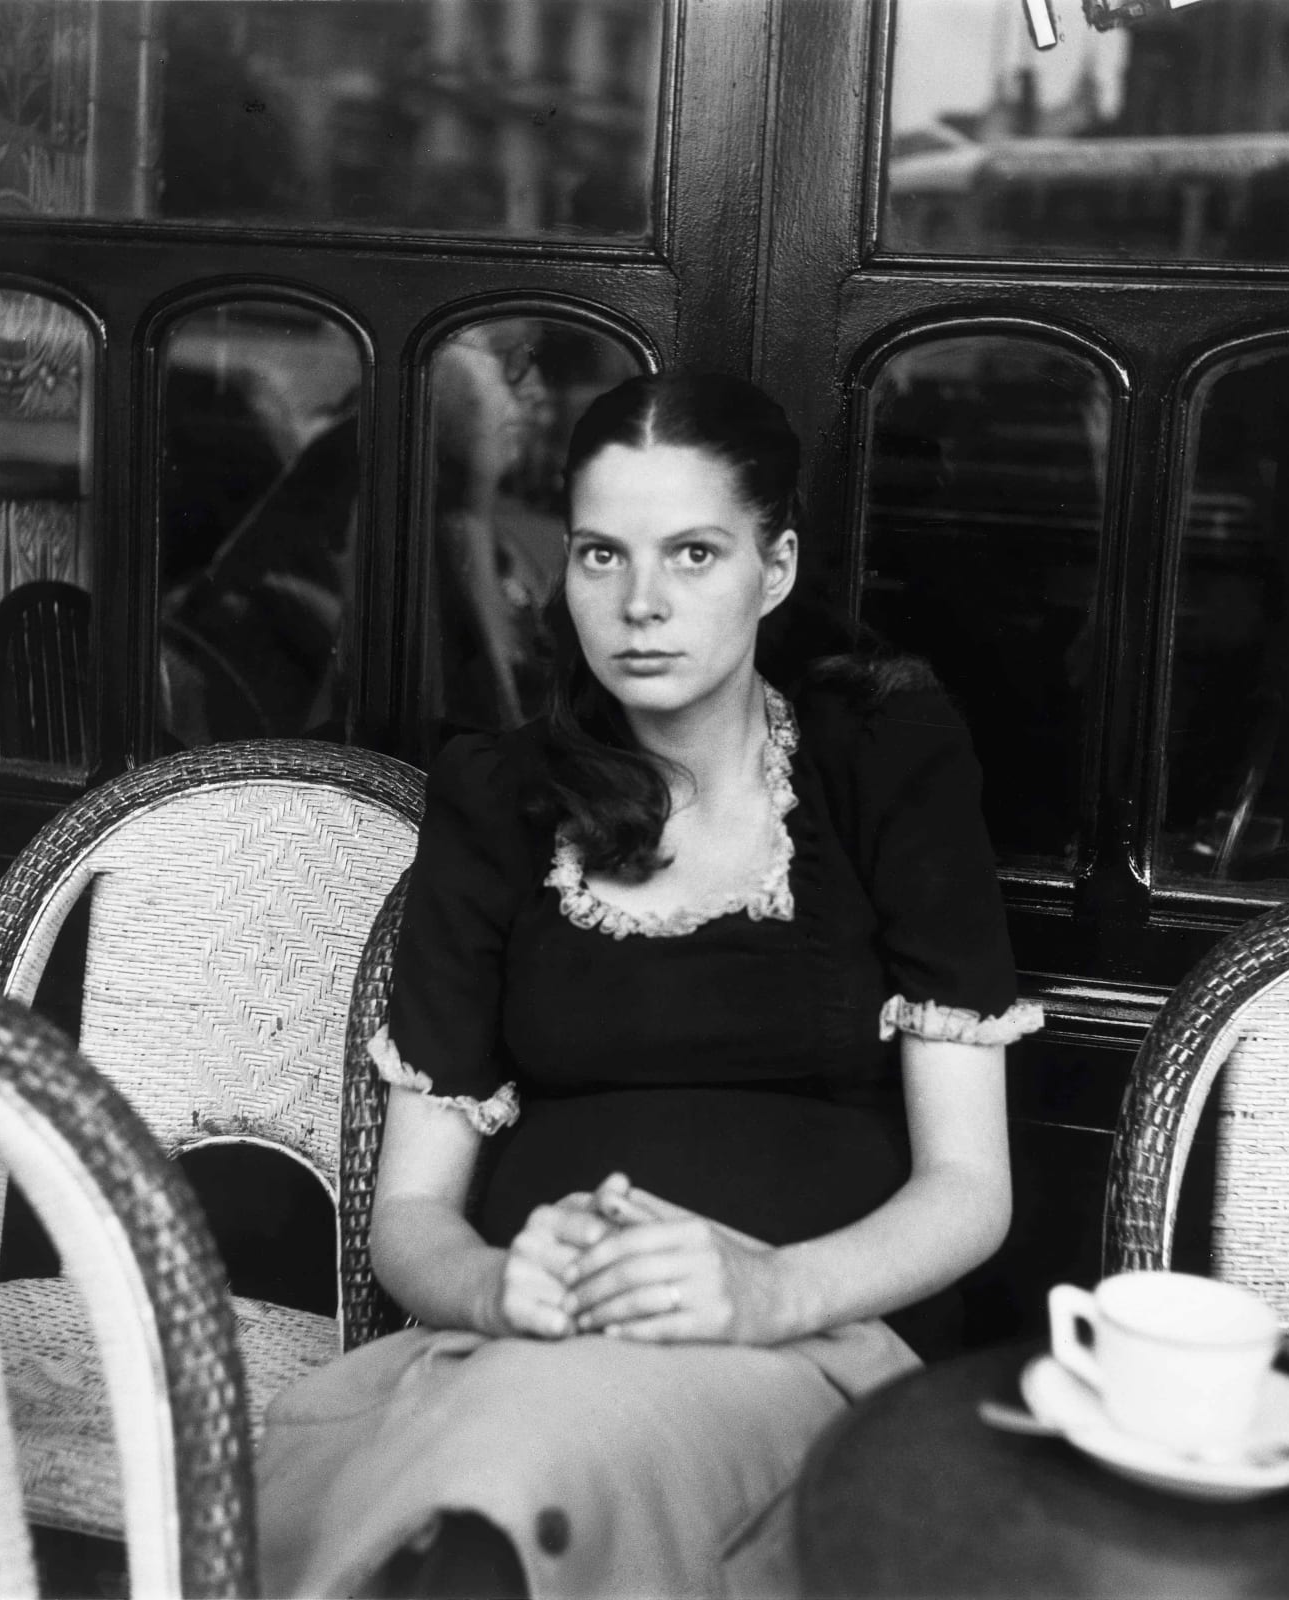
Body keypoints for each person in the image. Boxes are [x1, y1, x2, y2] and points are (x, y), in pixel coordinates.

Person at [256, 372, 1044, 1598]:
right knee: (500, 1479)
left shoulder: (883, 765)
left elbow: (971, 1188)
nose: (640, 604)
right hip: (529, 1354)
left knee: (512, 1493)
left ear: (775, 569)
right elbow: (410, 1215)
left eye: (693, 553)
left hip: (810, 1352)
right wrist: (495, 1286)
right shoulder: (498, 798)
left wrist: (767, 1289)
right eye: (600, 554)